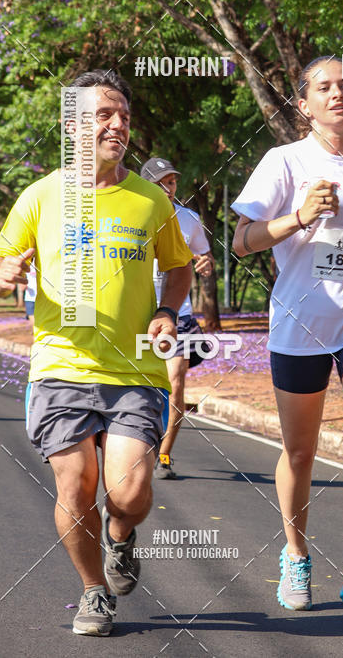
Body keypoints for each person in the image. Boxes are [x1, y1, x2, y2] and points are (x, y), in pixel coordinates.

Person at [0, 69, 193, 637]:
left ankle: (121, 537)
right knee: (76, 487)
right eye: (103, 114)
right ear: (72, 125)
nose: (117, 125)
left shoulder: (150, 200)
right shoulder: (41, 196)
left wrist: (165, 312)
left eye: (123, 116)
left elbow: (177, 267)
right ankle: (93, 591)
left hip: (134, 369)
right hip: (62, 365)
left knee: (128, 491)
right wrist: (3, 272)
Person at [231, 56, 343, 624]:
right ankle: (296, 553)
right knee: (300, 452)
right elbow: (242, 241)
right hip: (301, 322)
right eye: (325, 87)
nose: (339, 94)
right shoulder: (282, 161)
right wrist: (298, 217)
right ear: (303, 105)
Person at [140, 156, 215, 479]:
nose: (168, 188)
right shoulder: (133, 216)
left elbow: (205, 255)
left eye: (171, 182)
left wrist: (206, 264)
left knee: (175, 381)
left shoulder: (190, 220)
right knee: (142, 389)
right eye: (160, 183)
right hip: (139, 314)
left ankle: (165, 455)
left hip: (178, 314)